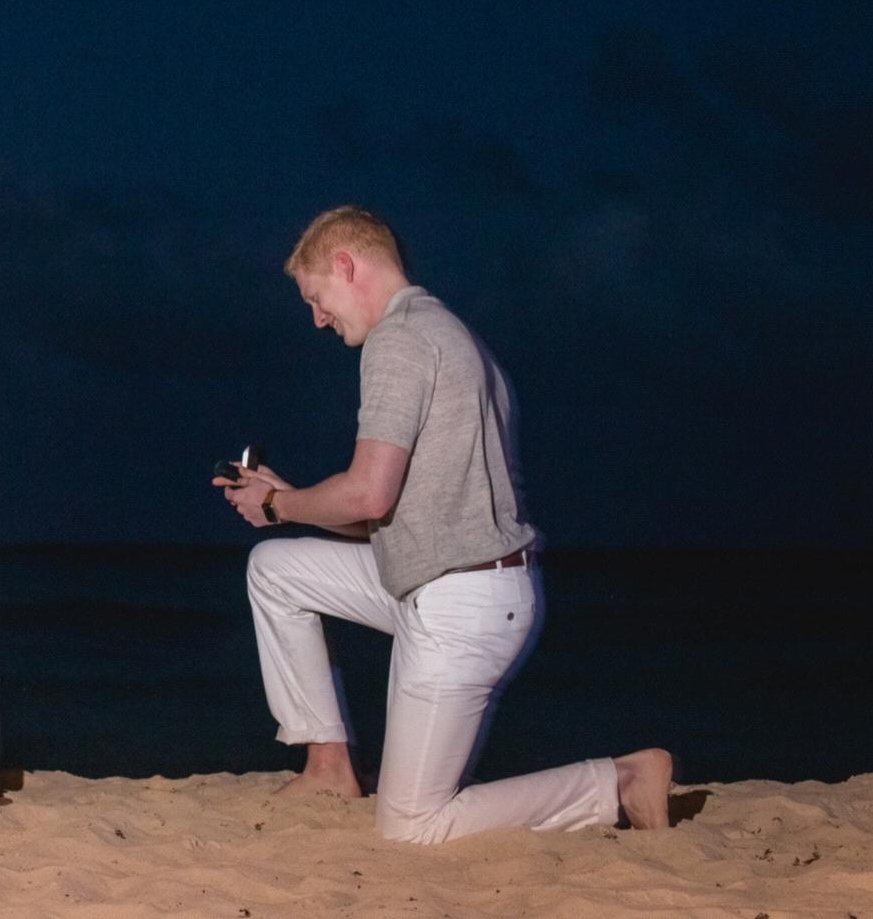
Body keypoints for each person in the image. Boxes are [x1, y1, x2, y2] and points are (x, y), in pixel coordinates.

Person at [219, 205, 673, 843]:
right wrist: (288, 499)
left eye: (317, 298)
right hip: (450, 582)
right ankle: (328, 767)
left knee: (412, 827)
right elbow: (395, 518)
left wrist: (276, 507)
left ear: (346, 266)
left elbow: (369, 494)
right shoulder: (452, 334)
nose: (318, 318)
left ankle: (618, 781)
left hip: (462, 604)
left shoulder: (398, 340)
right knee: (275, 569)